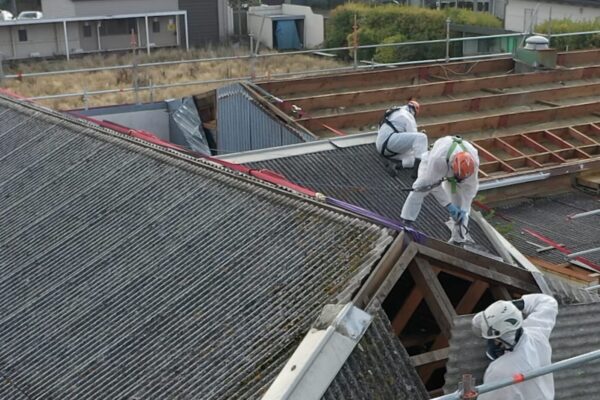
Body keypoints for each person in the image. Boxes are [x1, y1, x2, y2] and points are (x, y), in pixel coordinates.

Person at [471, 294, 559, 400]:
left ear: (502, 338)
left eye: (494, 338)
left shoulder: (500, 370)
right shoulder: (536, 335)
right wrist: (511, 307)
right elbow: (548, 302)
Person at [400, 135, 479, 243]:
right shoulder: (438, 159)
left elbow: (470, 189)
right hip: (431, 162)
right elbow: (432, 185)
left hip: (454, 168)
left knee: (461, 206)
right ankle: (407, 221)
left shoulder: (473, 161)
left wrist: (464, 208)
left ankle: (458, 240)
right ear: (452, 166)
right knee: (421, 186)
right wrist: (449, 205)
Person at [375, 100, 428, 177]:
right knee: (422, 138)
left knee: (420, 156)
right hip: (390, 143)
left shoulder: (393, 111)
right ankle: (417, 173)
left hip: (381, 147)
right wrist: (421, 135)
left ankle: (398, 165)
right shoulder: (408, 115)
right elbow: (415, 137)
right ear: (414, 111)